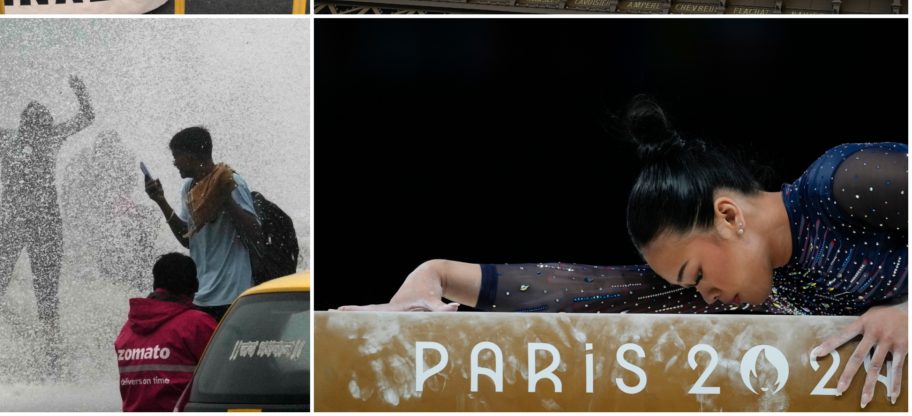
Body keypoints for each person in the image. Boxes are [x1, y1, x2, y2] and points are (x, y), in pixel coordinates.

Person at [342, 97, 907, 409]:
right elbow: (584, 290)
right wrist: (432, 277)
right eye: (691, 287)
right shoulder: (754, 281)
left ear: (729, 216)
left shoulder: (845, 182)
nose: (704, 296)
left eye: (696, 274)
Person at [0, 73, 94, 374]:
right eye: (35, 124)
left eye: (40, 124)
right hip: (25, 218)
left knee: (39, 288)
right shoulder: (35, 136)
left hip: (32, 219)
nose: (37, 131)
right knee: (4, 281)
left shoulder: (30, 137)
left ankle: (47, 352)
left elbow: (86, 116)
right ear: (29, 125)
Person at [145, 126, 262, 322]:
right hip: (202, 293)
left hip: (233, 292)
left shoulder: (230, 180)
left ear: (190, 156)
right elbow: (187, 239)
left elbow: (255, 232)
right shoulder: (189, 188)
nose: (174, 163)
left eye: (177, 156)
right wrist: (161, 201)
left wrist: (226, 200)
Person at [114, 253, 218, 412]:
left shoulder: (127, 329)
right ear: (195, 285)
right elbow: (227, 373)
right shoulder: (197, 324)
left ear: (155, 284)